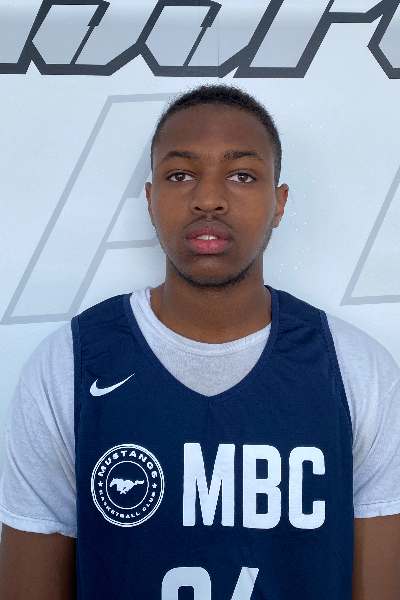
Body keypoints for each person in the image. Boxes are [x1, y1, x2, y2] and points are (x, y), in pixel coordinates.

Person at [0, 85, 399, 600]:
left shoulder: (358, 371)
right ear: (150, 200)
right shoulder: (68, 366)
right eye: (180, 175)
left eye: (242, 175)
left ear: (279, 203)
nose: (208, 199)